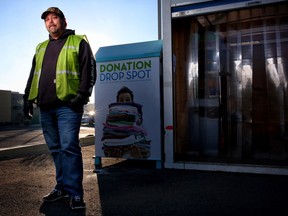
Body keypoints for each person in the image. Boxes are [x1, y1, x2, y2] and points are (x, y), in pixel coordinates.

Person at [23, 7, 96, 210]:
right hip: (45, 107)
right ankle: (62, 187)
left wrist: (82, 96)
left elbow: (89, 69)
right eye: (47, 19)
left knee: (69, 148)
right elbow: (33, 75)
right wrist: (27, 99)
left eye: (54, 18)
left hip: (68, 106)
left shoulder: (78, 41)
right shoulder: (40, 47)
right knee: (56, 149)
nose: (50, 22)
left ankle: (75, 194)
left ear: (64, 20)